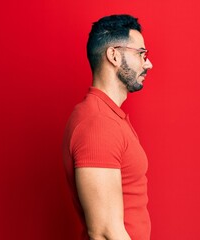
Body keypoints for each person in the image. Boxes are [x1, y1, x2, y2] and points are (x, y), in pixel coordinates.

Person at [62, 14, 153, 240]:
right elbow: (104, 232)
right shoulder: (98, 125)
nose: (148, 63)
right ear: (113, 55)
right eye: (141, 54)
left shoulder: (108, 117)